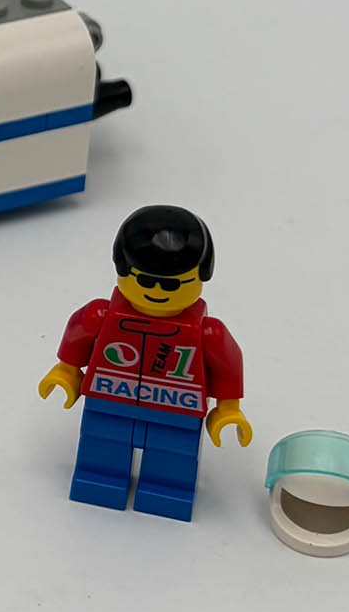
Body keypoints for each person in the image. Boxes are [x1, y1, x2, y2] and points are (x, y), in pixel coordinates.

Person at [39, 204, 251, 522]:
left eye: (171, 284)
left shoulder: (207, 333)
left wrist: (228, 408)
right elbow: (78, 334)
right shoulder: (102, 314)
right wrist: (67, 372)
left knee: (172, 461)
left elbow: (227, 363)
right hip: (110, 399)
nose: (157, 291)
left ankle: (167, 492)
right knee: (102, 450)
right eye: (146, 281)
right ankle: (100, 481)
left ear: (201, 276)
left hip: (176, 410)